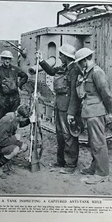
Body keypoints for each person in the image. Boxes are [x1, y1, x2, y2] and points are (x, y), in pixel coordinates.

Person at [37, 43, 81, 174]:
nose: (59, 56)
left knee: (69, 136)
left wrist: (71, 113)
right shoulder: (65, 67)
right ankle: (61, 161)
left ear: (66, 56)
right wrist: (41, 60)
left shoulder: (74, 70)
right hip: (60, 104)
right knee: (60, 135)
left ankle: (70, 165)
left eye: (61, 54)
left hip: (67, 108)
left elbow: (74, 93)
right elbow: (51, 71)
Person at [75, 47, 112, 185]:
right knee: (93, 142)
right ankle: (95, 166)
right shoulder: (88, 73)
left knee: (98, 143)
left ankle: (102, 173)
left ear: (85, 60)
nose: (79, 65)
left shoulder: (97, 73)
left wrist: (109, 113)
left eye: (80, 62)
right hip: (89, 112)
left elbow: (106, 94)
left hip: (96, 113)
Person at [0, 104, 30, 177]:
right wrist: (16, 139)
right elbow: (0, 142)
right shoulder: (7, 122)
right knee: (15, 149)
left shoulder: (13, 118)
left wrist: (20, 143)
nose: (25, 121)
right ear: (21, 117)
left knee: (19, 146)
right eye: (25, 119)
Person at [0, 50, 28, 120]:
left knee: (14, 118)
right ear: (2, 59)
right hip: (3, 98)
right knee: (0, 119)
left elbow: (25, 76)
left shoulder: (15, 69)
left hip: (15, 98)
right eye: (5, 58)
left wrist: (19, 85)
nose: (7, 61)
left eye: (9, 59)